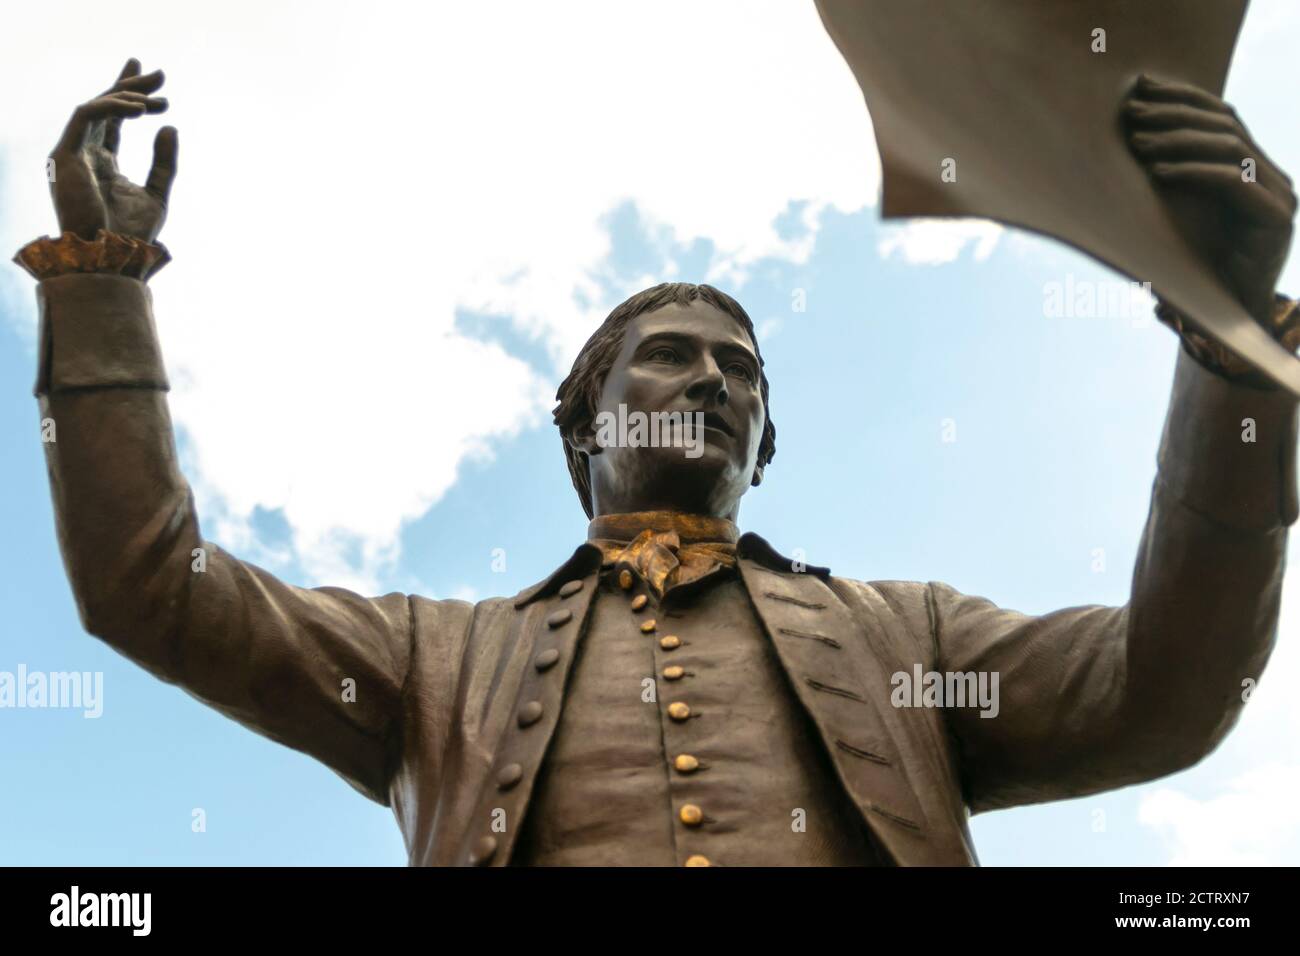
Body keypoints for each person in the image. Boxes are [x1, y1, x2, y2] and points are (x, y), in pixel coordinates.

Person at [15, 58, 1300, 865]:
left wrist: (1232, 348)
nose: (714, 382)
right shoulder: (434, 660)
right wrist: (104, 289)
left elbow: (1162, 685)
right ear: (585, 424)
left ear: (763, 445)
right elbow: (152, 585)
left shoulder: (905, 635)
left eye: (742, 373)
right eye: (672, 356)